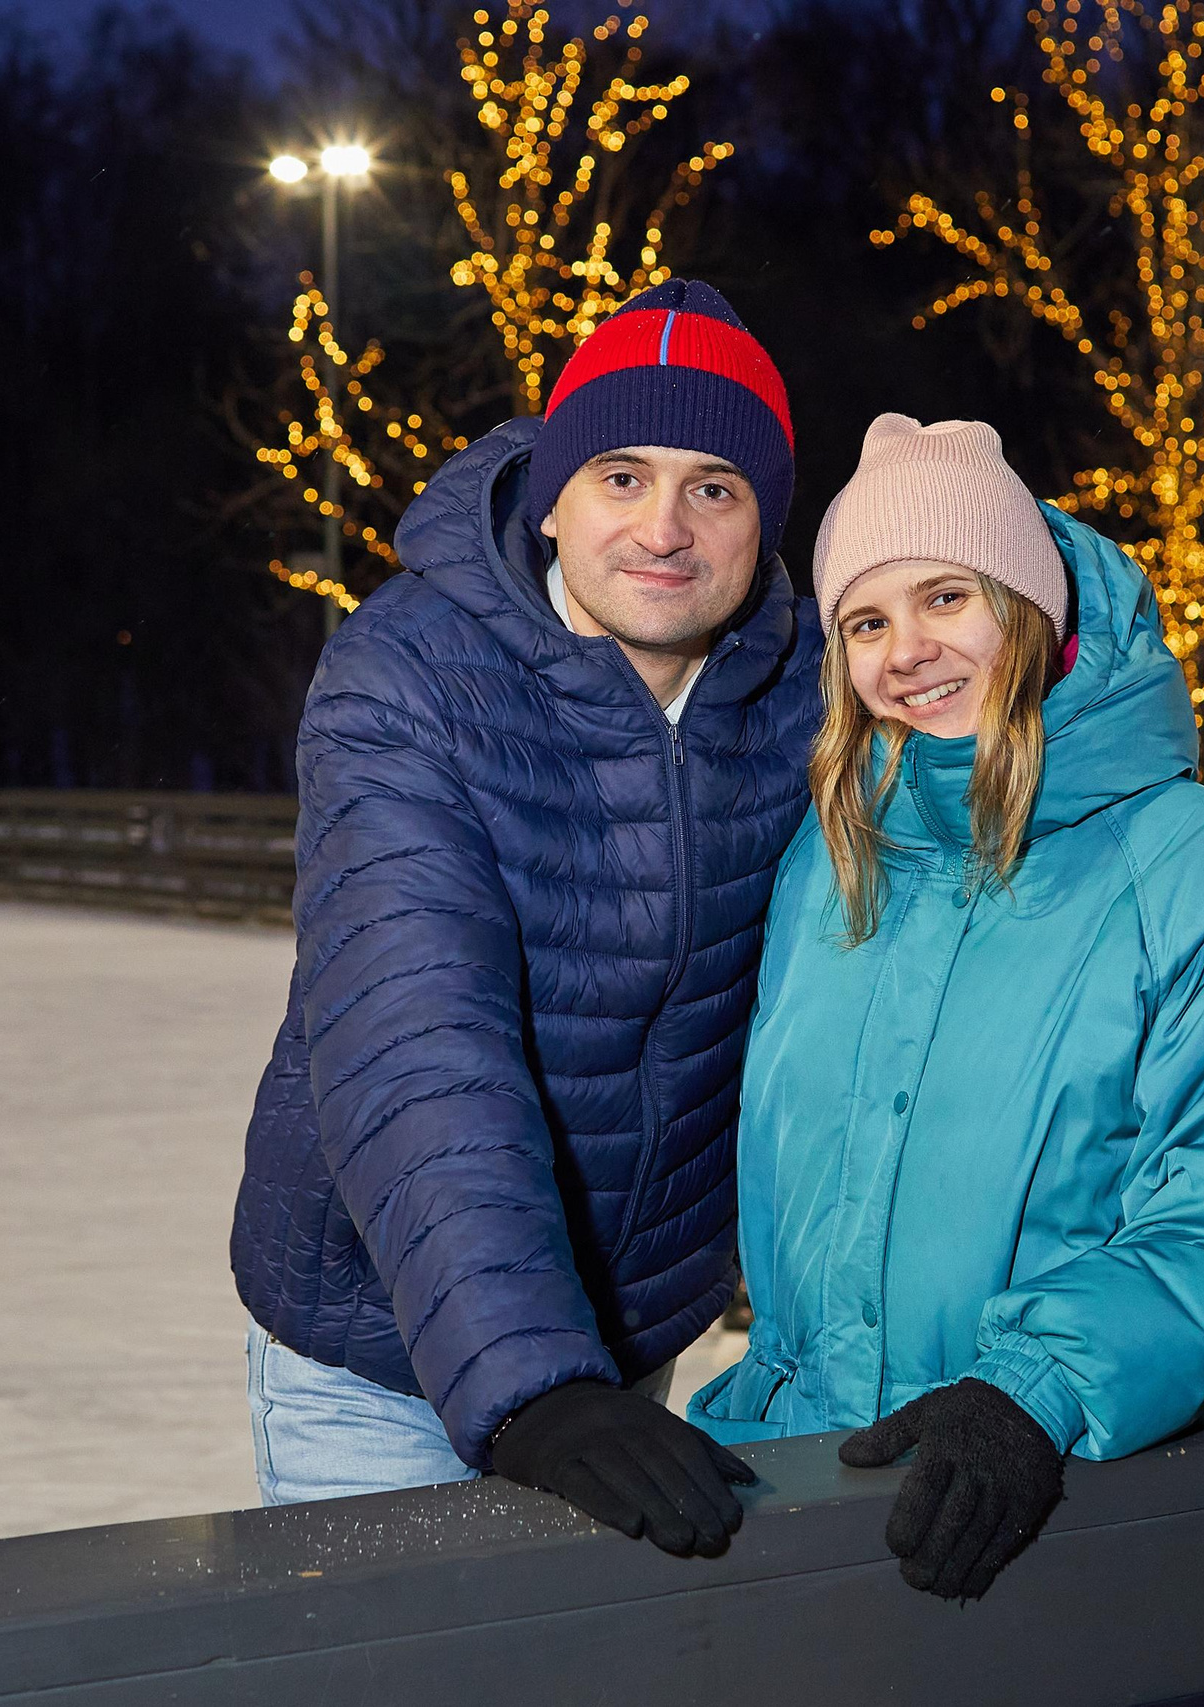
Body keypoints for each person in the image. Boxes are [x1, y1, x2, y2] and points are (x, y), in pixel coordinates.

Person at [691, 415, 1204, 1601]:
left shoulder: (1203, 872)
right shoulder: (832, 854)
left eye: (947, 597)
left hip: (1054, 1500)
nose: (906, 650)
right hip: (799, 1481)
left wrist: (1045, 1382)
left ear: (1031, 608)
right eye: (867, 620)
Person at [226, 279, 822, 1557]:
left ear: (767, 519)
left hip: (630, 1337)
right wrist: (535, 1384)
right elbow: (414, 1032)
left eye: (713, 487)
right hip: (381, 1349)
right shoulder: (410, 676)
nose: (664, 527)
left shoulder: (812, 689)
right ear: (551, 497)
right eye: (620, 474)